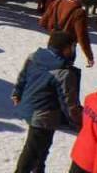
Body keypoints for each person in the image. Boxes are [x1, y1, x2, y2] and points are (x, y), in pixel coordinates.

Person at [10, 31, 82, 173]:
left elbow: (23, 77)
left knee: (39, 150)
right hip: (44, 115)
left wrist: (17, 93)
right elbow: (69, 102)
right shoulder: (63, 72)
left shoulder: (34, 57)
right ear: (66, 48)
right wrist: (79, 122)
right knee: (33, 152)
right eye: (73, 47)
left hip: (29, 107)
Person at [40, 0, 95, 68]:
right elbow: (82, 36)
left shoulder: (56, 3)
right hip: (67, 48)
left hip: (52, 42)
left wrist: (54, 32)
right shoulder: (79, 12)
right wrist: (89, 56)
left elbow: (42, 22)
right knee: (63, 73)